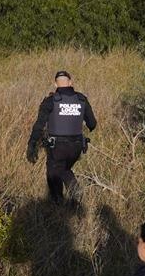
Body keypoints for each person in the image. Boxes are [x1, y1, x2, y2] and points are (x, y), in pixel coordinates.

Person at [26, 70, 97, 204]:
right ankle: (76, 194)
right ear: (70, 82)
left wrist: (32, 144)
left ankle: (58, 204)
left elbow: (39, 125)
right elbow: (92, 124)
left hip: (57, 147)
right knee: (64, 169)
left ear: (55, 84)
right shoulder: (81, 99)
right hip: (77, 147)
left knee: (53, 174)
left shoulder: (50, 101)